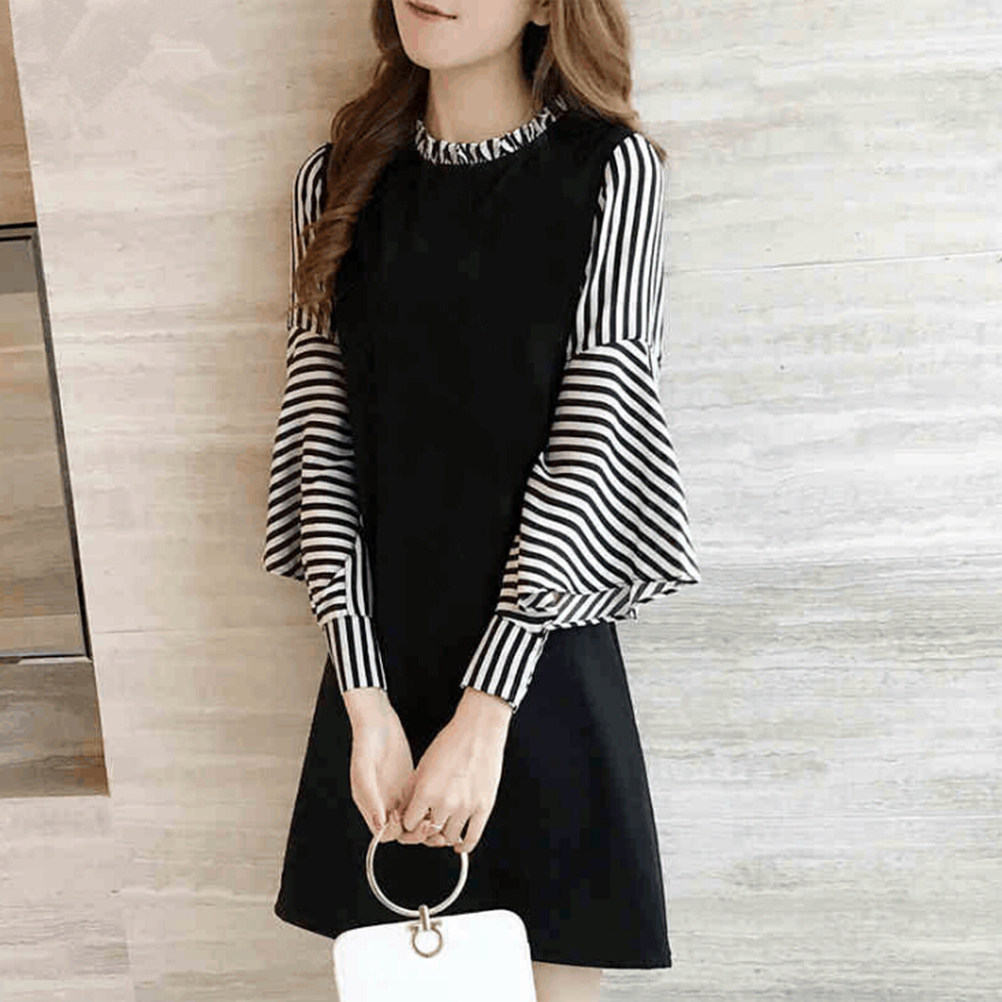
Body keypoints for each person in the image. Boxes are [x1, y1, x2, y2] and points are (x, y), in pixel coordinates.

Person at [262, 1, 700, 998]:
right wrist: (365, 704)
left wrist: (486, 714)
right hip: (380, 682)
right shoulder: (336, 180)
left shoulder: (611, 173)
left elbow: (594, 443)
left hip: (541, 666)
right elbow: (322, 447)